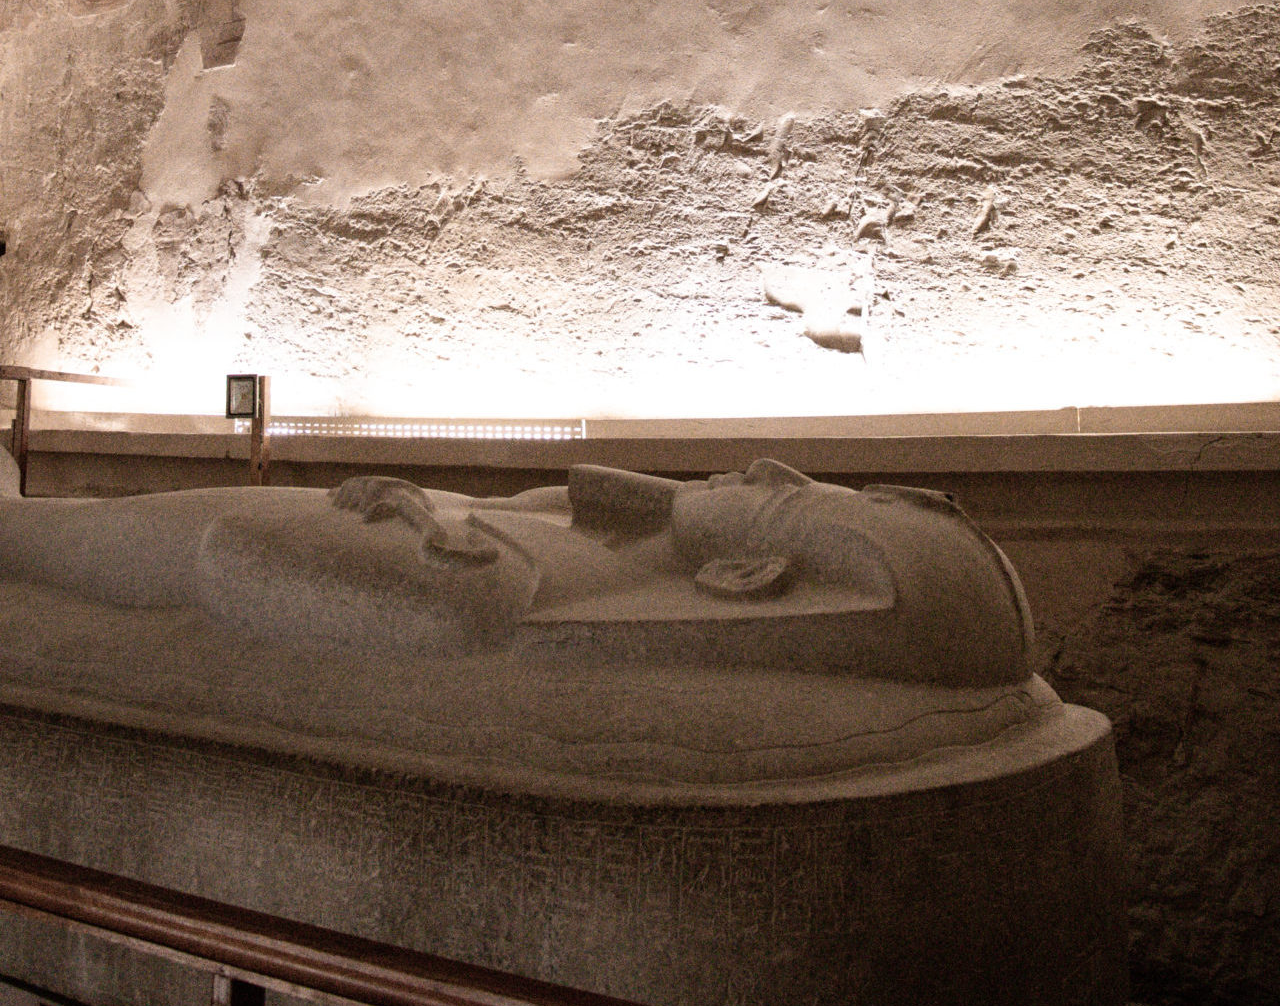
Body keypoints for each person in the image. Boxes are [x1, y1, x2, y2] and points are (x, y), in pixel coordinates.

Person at [0, 447, 1031, 683]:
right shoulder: (603, 542)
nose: (763, 465)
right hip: (278, 530)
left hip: (258, 540)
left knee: (23, 536)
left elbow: (243, 560)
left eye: (779, 494)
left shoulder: (519, 588)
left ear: (745, 577)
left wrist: (407, 523)